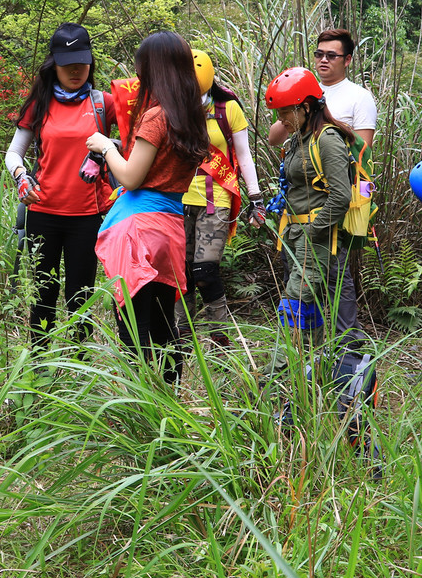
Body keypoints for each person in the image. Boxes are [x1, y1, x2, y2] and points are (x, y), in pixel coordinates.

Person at [85, 32, 209, 385]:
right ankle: (170, 395)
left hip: (137, 230)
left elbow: (131, 177)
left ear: (153, 71)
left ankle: (138, 402)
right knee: (164, 322)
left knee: (133, 326)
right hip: (170, 229)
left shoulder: (156, 117)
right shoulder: (192, 117)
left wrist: (105, 147)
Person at [4, 23, 115, 348]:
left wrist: (108, 150)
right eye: (68, 65)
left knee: (81, 295)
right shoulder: (39, 103)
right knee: (43, 294)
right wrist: (21, 177)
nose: (76, 71)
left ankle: (79, 362)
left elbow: (136, 140)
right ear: (54, 64)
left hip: (87, 215)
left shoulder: (102, 103)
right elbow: (14, 152)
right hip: (43, 211)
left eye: (82, 63)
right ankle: (39, 361)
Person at [268, 27, 375, 345]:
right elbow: (275, 139)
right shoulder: (299, 135)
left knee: (322, 293)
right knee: (310, 301)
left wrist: (314, 230)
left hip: (321, 228)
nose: (323, 60)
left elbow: (350, 176)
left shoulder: (334, 128)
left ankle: (347, 354)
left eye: (331, 55)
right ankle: (314, 360)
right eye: (319, 54)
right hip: (296, 229)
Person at [179, 49, 264, 345]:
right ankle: (182, 337)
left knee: (205, 270)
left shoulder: (228, 108)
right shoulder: (172, 107)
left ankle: (220, 337)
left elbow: (244, 155)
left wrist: (256, 198)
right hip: (177, 200)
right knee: (181, 273)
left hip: (215, 200)